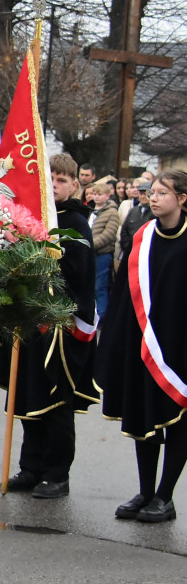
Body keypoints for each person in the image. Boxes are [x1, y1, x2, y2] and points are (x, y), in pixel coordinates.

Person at [1, 153, 97, 499]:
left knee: (57, 401)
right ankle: (31, 467)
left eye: (61, 180)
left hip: (60, 324)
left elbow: (79, 277)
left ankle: (57, 473)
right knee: (28, 395)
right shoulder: (33, 218)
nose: (54, 186)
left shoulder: (76, 223)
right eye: (49, 179)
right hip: (30, 319)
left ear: (74, 184)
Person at [97, 170, 187, 523]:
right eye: (153, 191)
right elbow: (123, 293)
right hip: (145, 341)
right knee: (144, 415)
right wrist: (116, 339)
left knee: (178, 419)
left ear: (182, 198)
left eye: (164, 192)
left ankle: (165, 496)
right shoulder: (142, 236)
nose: (155, 197)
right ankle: (146, 490)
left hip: (179, 344)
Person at [86, 181, 119, 319]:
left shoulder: (112, 212)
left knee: (100, 285)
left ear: (108, 196)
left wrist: (91, 244)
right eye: (94, 194)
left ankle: (102, 314)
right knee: (90, 284)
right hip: (89, 252)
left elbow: (109, 234)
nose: (96, 197)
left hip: (102, 254)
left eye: (100, 194)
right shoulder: (91, 211)